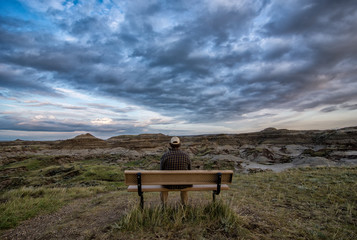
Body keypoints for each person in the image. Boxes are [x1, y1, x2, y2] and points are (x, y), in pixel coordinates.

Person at [160, 136, 191, 205]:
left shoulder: (165, 155)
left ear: (170, 145)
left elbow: (161, 170)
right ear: (179, 145)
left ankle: (164, 206)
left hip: (168, 184)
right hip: (183, 184)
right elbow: (189, 170)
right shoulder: (186, 155)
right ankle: (184, 205)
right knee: (184, 188)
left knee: (163, 188)